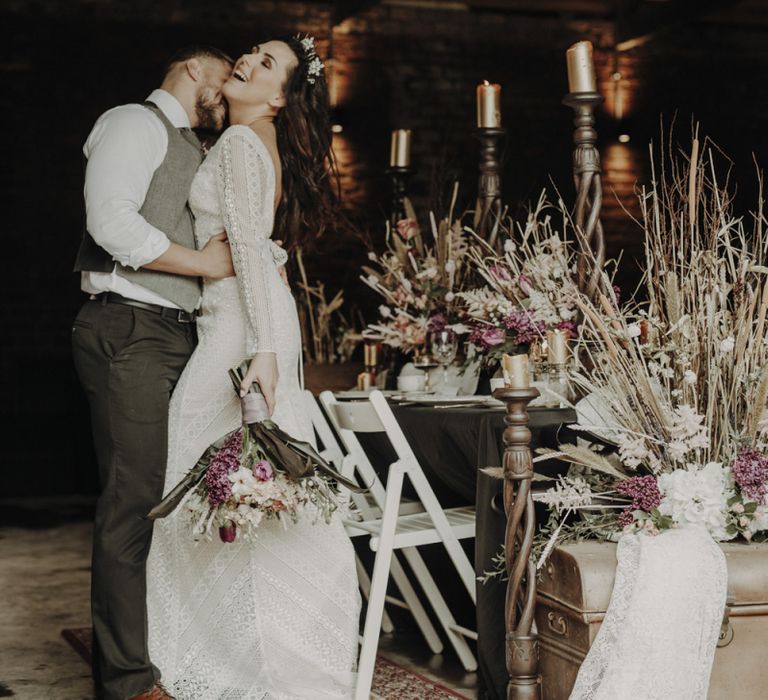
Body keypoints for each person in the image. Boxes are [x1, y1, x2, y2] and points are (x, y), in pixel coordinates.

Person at [145, 36, 361, 699]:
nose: (249, 61)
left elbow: (242, 245)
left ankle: (250, 656)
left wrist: (263, 351)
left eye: (268, 64)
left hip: (242, 329)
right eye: (253, 53)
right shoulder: (243, 142)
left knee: (224, 473)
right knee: (239, 482)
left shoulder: (240, 145)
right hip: (245, 320)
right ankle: (241, 643)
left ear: (278, 98)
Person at [71, 46, 235, 700]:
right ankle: (128, 683)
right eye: (222, 79)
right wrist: (203, 266)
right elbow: (109, 222)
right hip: (129, 327)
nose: (224, 95)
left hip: (178, 335)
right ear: (194, 68)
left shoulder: (199, 147)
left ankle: (159, 650)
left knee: (171, 502)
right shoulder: (134, 123)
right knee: (132, 502)